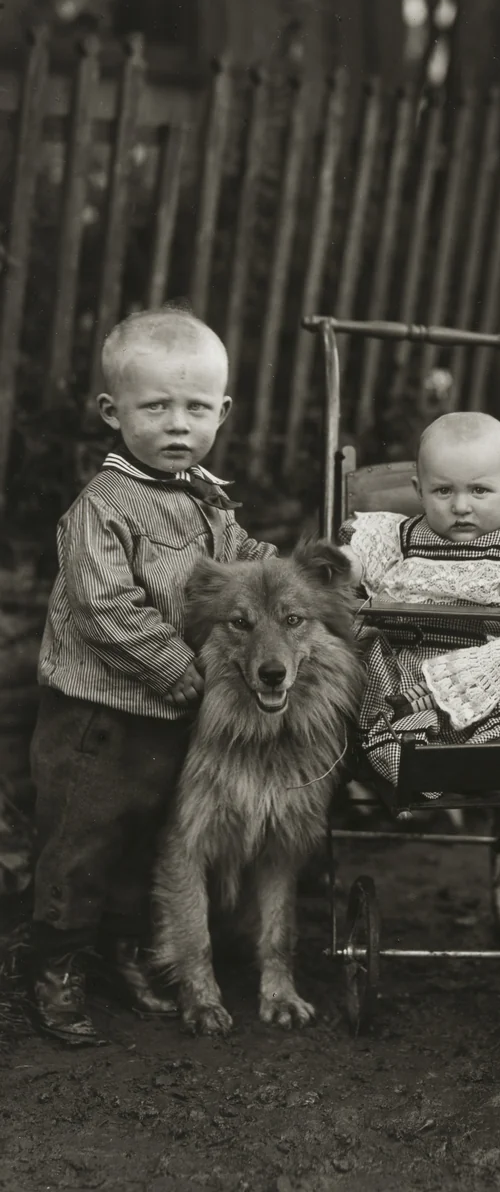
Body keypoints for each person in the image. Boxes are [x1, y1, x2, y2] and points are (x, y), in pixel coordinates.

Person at [29, 306, 277, 1046]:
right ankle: (55, 966)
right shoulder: (101, 509)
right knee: (83, 841)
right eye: (155, 407)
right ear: (113, 411)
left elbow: (242, 561)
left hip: (170, 718)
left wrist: (289, 574)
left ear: (223, 413)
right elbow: (105, 606)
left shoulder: (202, 497)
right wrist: (179, 670)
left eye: (196, 408)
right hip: (97, 720)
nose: (178, 424)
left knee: (148, 839)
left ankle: (122, 950)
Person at [340, 412, 500, 787]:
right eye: (443, 491)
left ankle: (499, 753)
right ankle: (422, 759)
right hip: (413, 669)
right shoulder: (397, 538)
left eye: (479, 491)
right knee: (377, 678)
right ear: (419, 490)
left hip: (496, 672)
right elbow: (357, 561)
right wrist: (343, 566)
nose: (460, 506)